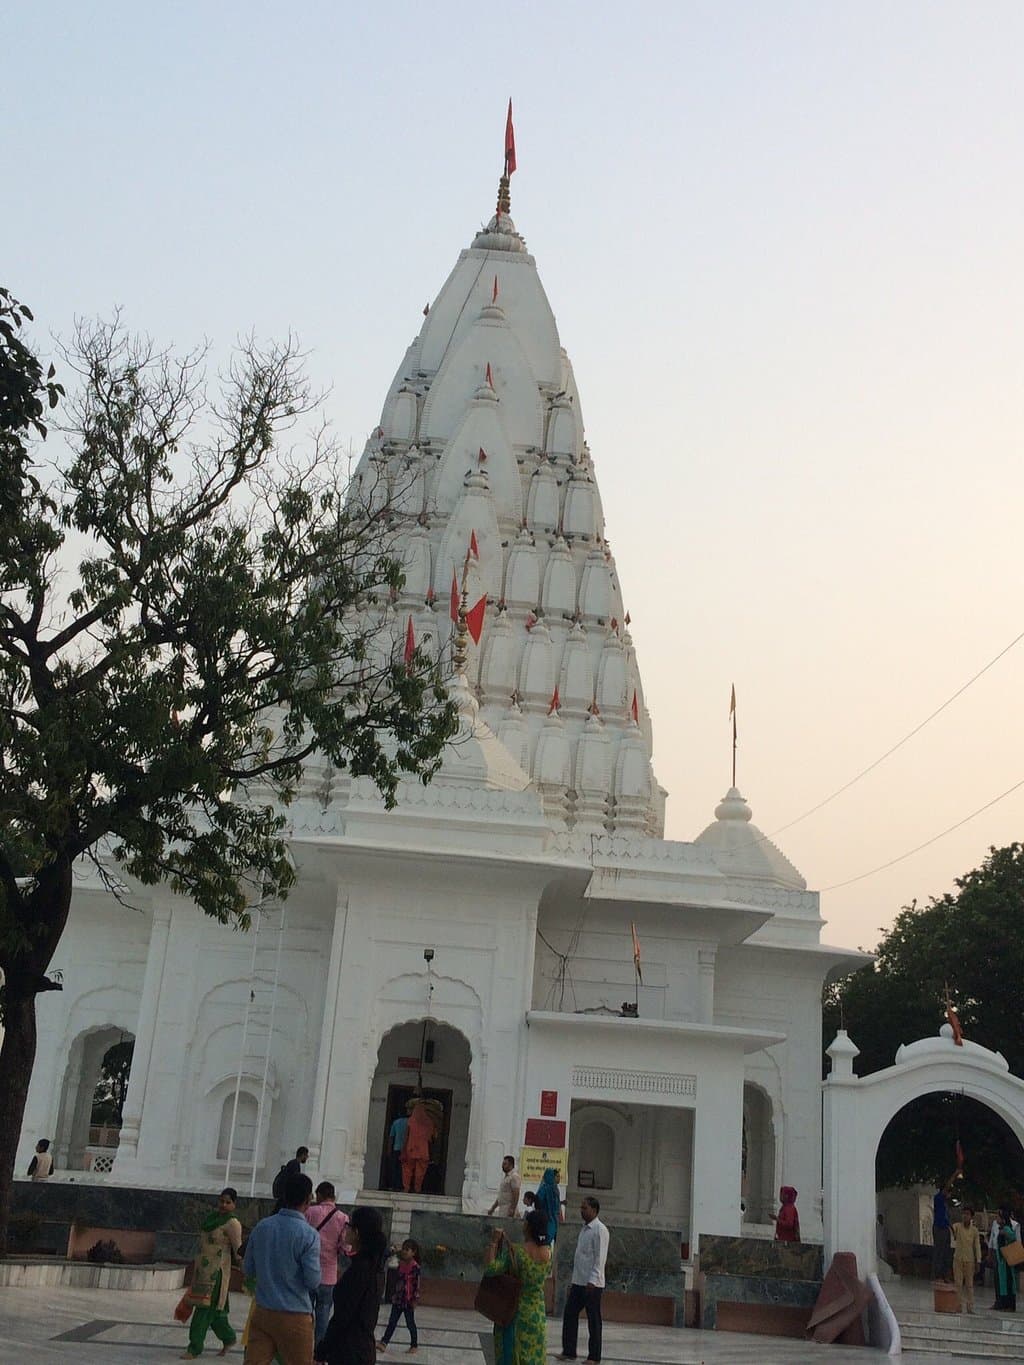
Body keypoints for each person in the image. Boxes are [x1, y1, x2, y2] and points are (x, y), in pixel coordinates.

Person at [243, 1172, 321, 1365]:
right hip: (295, 1314)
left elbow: (249, 1269)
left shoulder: (262, 1227)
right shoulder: (309, 1235)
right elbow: (312, 1281)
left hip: (263, 1311)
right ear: (308, 1199)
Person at [315, 1205, 387, 1365]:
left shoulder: (360, 1270)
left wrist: (323, 1350)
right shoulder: (375, 1268)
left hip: (349, 1351)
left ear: (357, 1232)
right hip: (363, 1348)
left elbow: (343, 1317)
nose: (345, 1230)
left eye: (348, 1225)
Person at [484, 1208, 551, 1365]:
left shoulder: (517, 1252)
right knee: (534, 1357)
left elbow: (490, 1269)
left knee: (512, 1355)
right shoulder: (548, 1253)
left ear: (528, 1226)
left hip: (515, 1313)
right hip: (537, 1314)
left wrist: (494, 1242)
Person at [181, 1188, 243, 1360]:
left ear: (234, 1204)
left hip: (217, 1274)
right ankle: (229, 1338)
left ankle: (194, 1348)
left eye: (228, 1202)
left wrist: (246, 1269)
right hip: (202, 1271)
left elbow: (238, 1250)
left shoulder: (232, 1223)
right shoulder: (211, 1219)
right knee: (215, 1311)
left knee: (203, 1309)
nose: (223, 1205)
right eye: (221, 1201)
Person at [556, 1196, 609, 1364]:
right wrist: (574, 1281)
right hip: (579, 1281)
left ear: (594, 1210)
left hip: (592, 1284)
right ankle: (569, 1350)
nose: (582, 1211)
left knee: (593, 1319)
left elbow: (600, 1258)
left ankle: (594, 1357)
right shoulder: (584, 1229)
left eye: (585, 1208)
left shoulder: (600, 1230)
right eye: (581, 1208)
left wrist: (593, 1279)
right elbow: (580, 1258)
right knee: (570, 1313)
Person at [305, 1181, 351, 1349]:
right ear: (333, 1196)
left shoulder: (310, 1212)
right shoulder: (342, 1218)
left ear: (320, 1195)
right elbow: (345, 1247)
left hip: (308, 1272)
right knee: (323, 1314)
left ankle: (303, 1346)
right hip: (328, 1275)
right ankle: (319, 1350)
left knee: (304, 1313)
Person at [377, 1237, 421, 1354]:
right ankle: (384, 1343)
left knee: (410, 1323)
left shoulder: (415, 1267)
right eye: (404, 1249)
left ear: (413, 1252)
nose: (405, 1252)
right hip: (398, 1299)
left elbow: (416, 1284)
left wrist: (415, 1299)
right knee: (392, 1321)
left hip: (408, 1301)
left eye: (408, 1250)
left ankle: (414, 1345)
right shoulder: (400, 1264)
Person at [401, 1096, 437, 1195]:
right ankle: (417, 1189)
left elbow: (406, 1136)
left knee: (407, 1169)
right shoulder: (430, 1123)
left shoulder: (411, 1121)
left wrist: (403, 1150)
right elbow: (433, 1138)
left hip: (411, 1149)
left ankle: (406, 1188)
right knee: (420, 1172)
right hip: (423, 1151)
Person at [952, 1206, 981, 1313]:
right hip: (958, 1259)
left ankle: (970, 1307)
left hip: (970, 1260)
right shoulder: (957, 1226)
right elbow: (951, 1230)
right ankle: (958, 1305)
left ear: (971, 1216)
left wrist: (978, 1261)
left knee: (969, 1285)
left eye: (967, 1214)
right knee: (958, 1283)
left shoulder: (974, 1231)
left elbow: (977, 1246)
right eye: (964, 1214)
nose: (965, 1216)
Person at [993, 1208, 1020, 1312]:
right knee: (1002, 1283)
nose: (996, 1219)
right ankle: (1003, 1304)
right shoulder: (1001, 1228)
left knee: (1008, 1282)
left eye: (998, 1217)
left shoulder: (1007, 1228)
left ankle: (1010, 1305)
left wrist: (1005, 1233)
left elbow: (1013, 1237)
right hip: (1002, 1261)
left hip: (1006, 1261)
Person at [272, 1147, 310, 1212]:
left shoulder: (293, 1163)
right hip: (285, 1196)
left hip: (283, 1195)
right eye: (306, 1155)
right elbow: (294, 1182)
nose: (307, 1157)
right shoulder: (295, 1165)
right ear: (303, 1154)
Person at [932, 1182, 952, 1280]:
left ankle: (945, 1273)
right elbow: (947, 1185)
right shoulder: (938, 1198)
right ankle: (937, 1273)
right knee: (939, 1251)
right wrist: (955, 1175)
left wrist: (952, 1229)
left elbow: (947, 1218)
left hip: (945, 1228)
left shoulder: (945, 1204)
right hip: (939, 1228)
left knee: (946, 1251)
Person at [387, 1111, 408, 1191]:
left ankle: (394, 1185)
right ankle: (403, 1186)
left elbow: (391, 1137)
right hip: (406, 1150)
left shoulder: (395, 1123)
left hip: (396, 1148)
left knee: (395, 1168)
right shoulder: (409, 1122)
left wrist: (389, 1149)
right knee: (404, 1169)